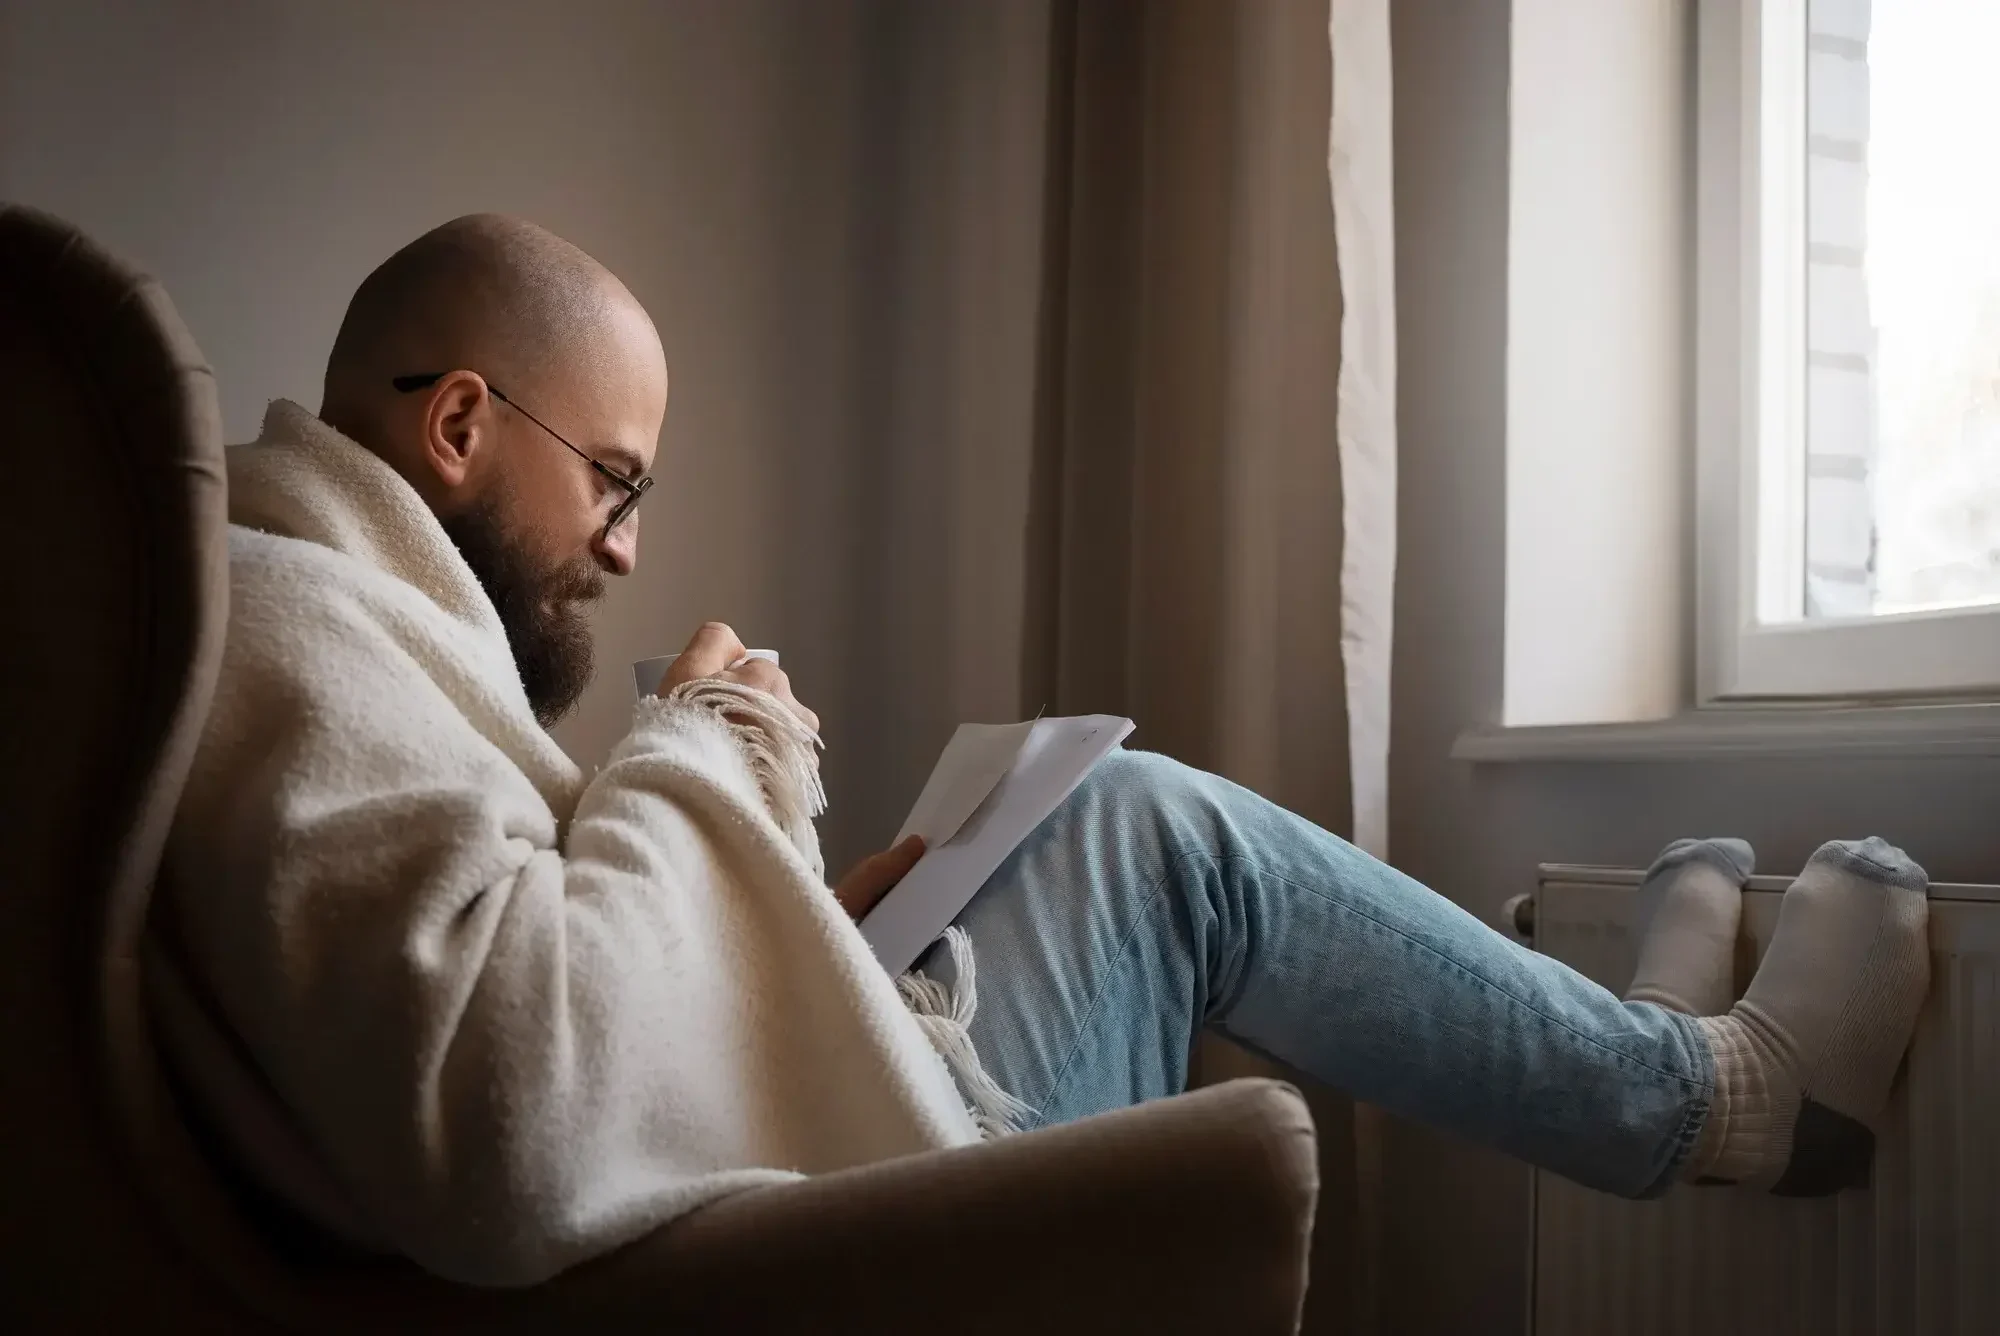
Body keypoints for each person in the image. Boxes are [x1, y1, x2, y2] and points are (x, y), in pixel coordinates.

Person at [156, 215, 1934, 1289]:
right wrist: (704, 745)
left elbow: (504, 976)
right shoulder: (288, 626)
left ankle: (1657, 1053)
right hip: (743, 1266)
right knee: (1162, 841)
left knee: (1085, 813)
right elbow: (506, 1110)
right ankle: (1732, 1100)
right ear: (463, 421)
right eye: (618, 481)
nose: (627, 547)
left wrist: (797, 925)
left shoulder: (317, 623)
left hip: (708, 1204)